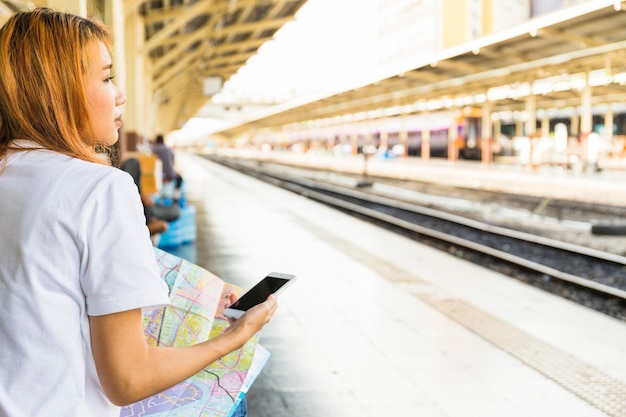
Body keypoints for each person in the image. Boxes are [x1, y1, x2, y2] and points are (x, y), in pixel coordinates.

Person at [0, 8, 277, 417]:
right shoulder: (100, 188)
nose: (121, 95)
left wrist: (198, 298)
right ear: (60, 92)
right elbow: (127, 381)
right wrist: (235, 339)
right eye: (107, 78)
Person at [151, 133, 183, 199]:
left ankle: (156, 197)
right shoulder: (168, 149)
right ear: (163, 141)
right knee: (180, 179)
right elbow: (173, 161)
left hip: (158, 174)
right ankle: (176, 197)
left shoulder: (154, 149)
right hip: (170, 173)